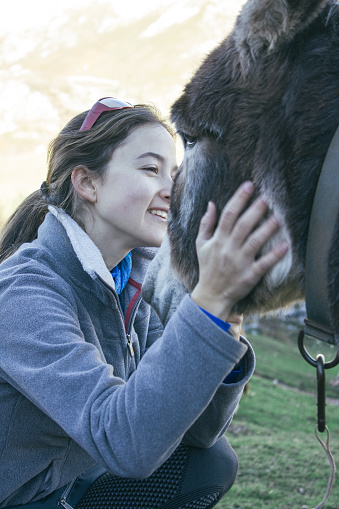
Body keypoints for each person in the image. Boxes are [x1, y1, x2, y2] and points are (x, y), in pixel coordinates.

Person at [0, 97, 288, 509]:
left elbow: (198, 432)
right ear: (87, 183)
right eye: (151, 169)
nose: (173, 190)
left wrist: (227, 317)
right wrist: (207, 303)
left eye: (174, 173)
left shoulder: (131, 283)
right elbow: (123, 441)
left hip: (71, 484)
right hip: (24, 499)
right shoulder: (23, 295)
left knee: (210, 462)